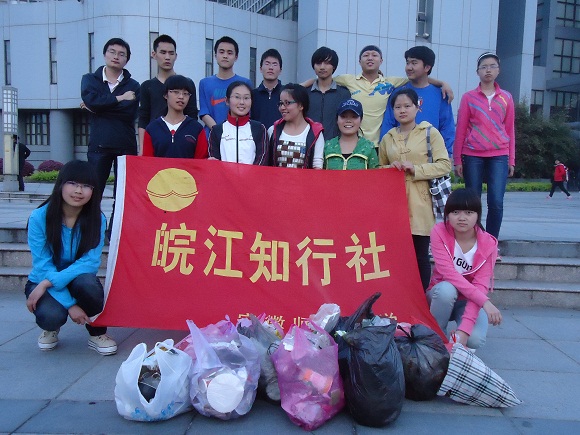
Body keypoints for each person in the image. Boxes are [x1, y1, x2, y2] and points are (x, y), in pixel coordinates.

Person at [25, 160, 116, 355]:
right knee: (50, 316)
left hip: (74, 280)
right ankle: (50, 329)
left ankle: (97, 333)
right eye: (73, 183)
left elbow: (90, 262)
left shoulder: (97, 219)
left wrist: (47, 283)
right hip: (43, 278)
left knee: (88, 284)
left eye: (86, 186)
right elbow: (43, 266)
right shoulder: (39, 217)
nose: (78, 191)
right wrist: (71, 305)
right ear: (61, 184)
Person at [303, 45, 452, 147]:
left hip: (379, 144)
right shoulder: (348, 80)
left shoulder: (391, 82)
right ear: (359, 61)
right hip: (354, 142)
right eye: (365, 55)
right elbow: (323, 79)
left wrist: (442, 83)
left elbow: (417, 78)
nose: (370, 58)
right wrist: (301, 86)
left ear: (381, 61)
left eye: (374, 55)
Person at [379, 88, 451, 290]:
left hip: (421, 202)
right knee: (395, 254)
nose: (402, 110)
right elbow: (378, 168)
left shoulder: (430, 132)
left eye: (407, 106)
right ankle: (399, 297)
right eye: (397, 107)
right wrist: (389, 168)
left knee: (420, 254)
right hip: (393, 204)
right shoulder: (387, 138)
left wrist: (416, 169)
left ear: (417, 107)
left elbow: (445, 165)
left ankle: (420, 299)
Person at [426, 188, 502, 349]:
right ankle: (435, 340)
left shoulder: (488, 244)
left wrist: (464, 332)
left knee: (475, 339)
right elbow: (449, 274)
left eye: (469, 212)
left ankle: (455, 340)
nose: (462, 218)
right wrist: (485, 302)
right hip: (440, 297)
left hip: (468, 301)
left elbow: (480, 286)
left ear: (477, 215)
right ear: (447, 214)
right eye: (455, 212)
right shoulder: (439, 232)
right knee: (447, 289)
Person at [454, 52, 515, 240]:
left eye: (492, 66)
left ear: (498, 70)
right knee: (473, 203)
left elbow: (510, 130)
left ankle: (491, 242)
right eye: (484, 67)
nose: (488, 70)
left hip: (499, 155)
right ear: (477, 71)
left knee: (496, 201)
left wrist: (511, 159)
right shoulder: (469, 97)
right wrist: (458, 160)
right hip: (473, 155)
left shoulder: (506, 97)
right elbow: (461, 129)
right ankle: (474, 241)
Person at [81, 37, 140, 195]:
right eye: (112, 52)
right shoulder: (90, 80)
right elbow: (92, 101)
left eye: (121, 54)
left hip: (125, 145)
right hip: (99, 145)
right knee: (93, 192)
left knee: (124, 194)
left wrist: (97, 108)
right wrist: (120, 98)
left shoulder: (134, 86)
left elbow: (128, 113)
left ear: (126, 60)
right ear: (104, 54)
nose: (116, 56)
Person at [380, 46, 455, 157]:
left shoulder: (441, 94)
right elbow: (388, 123)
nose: (409, 67)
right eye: (407, 63)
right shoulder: (398, 92)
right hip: (400, 155)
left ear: (427, 67)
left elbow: (447, 127)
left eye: (414, 63)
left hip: (430, 155)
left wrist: (447, 155)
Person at [138, 34, 198, 154]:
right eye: (163, 52)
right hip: (155, 142)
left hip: (182, 143)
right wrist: (142, 148)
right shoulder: (147, 86)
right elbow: (143, 119)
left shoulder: (187, 84)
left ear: (176, 56)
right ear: (154, 54)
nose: (167, 57)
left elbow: (192, 115)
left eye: (171, 53)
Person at [142, 75, 208, 158]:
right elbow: (147, 161)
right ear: (166, 95)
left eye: (185, 94)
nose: (181, 97)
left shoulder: (196, 128)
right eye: (176, 92)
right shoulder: (152, 129)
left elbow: (201, 161)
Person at [199, 36, 252, 137]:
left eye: (229, 53)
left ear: (236, 57)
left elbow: (248, 112)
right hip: (211, 136)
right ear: (215, 55)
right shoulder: (204, 83)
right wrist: (219, 132)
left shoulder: (245, 83)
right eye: (221, 52)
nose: (225, 56)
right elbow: (204, 113)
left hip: (238, 136)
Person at [208, 81, 269, 165]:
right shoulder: (217, 130)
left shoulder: (259, 129)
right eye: (237, 97)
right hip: (224, 174)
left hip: (252, 174)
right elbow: (214, 162)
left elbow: (262, 161)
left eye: (246, 98)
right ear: (227, 100)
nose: (242, 102)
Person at [268, 83, 324, 169]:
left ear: (301, 105)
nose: (282, 107)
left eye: (287, 103)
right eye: (280, 103)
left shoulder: (315, 132)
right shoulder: (273, 130)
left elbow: (317, 165)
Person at [308, 46, 351, 140]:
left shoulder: (344, 94)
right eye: (318, 63)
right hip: (309, 144)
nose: (322, 67)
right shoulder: (306, 93)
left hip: (334, 145)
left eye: (327, 63)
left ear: (334, 66)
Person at [324, 99, 378, 170]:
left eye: (354, 116)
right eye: (343, 116)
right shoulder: (328, 146)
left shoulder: (369, 147)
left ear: (361, 120)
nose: (348, 120)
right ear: (337, 119)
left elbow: (376, 174)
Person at [251, 49, 284, 129]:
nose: (270, 67)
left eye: (274, 64)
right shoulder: (252, 95)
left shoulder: (286, 94)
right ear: (260, 68)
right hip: (258, 136)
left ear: (280, 70)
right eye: (267, 64)